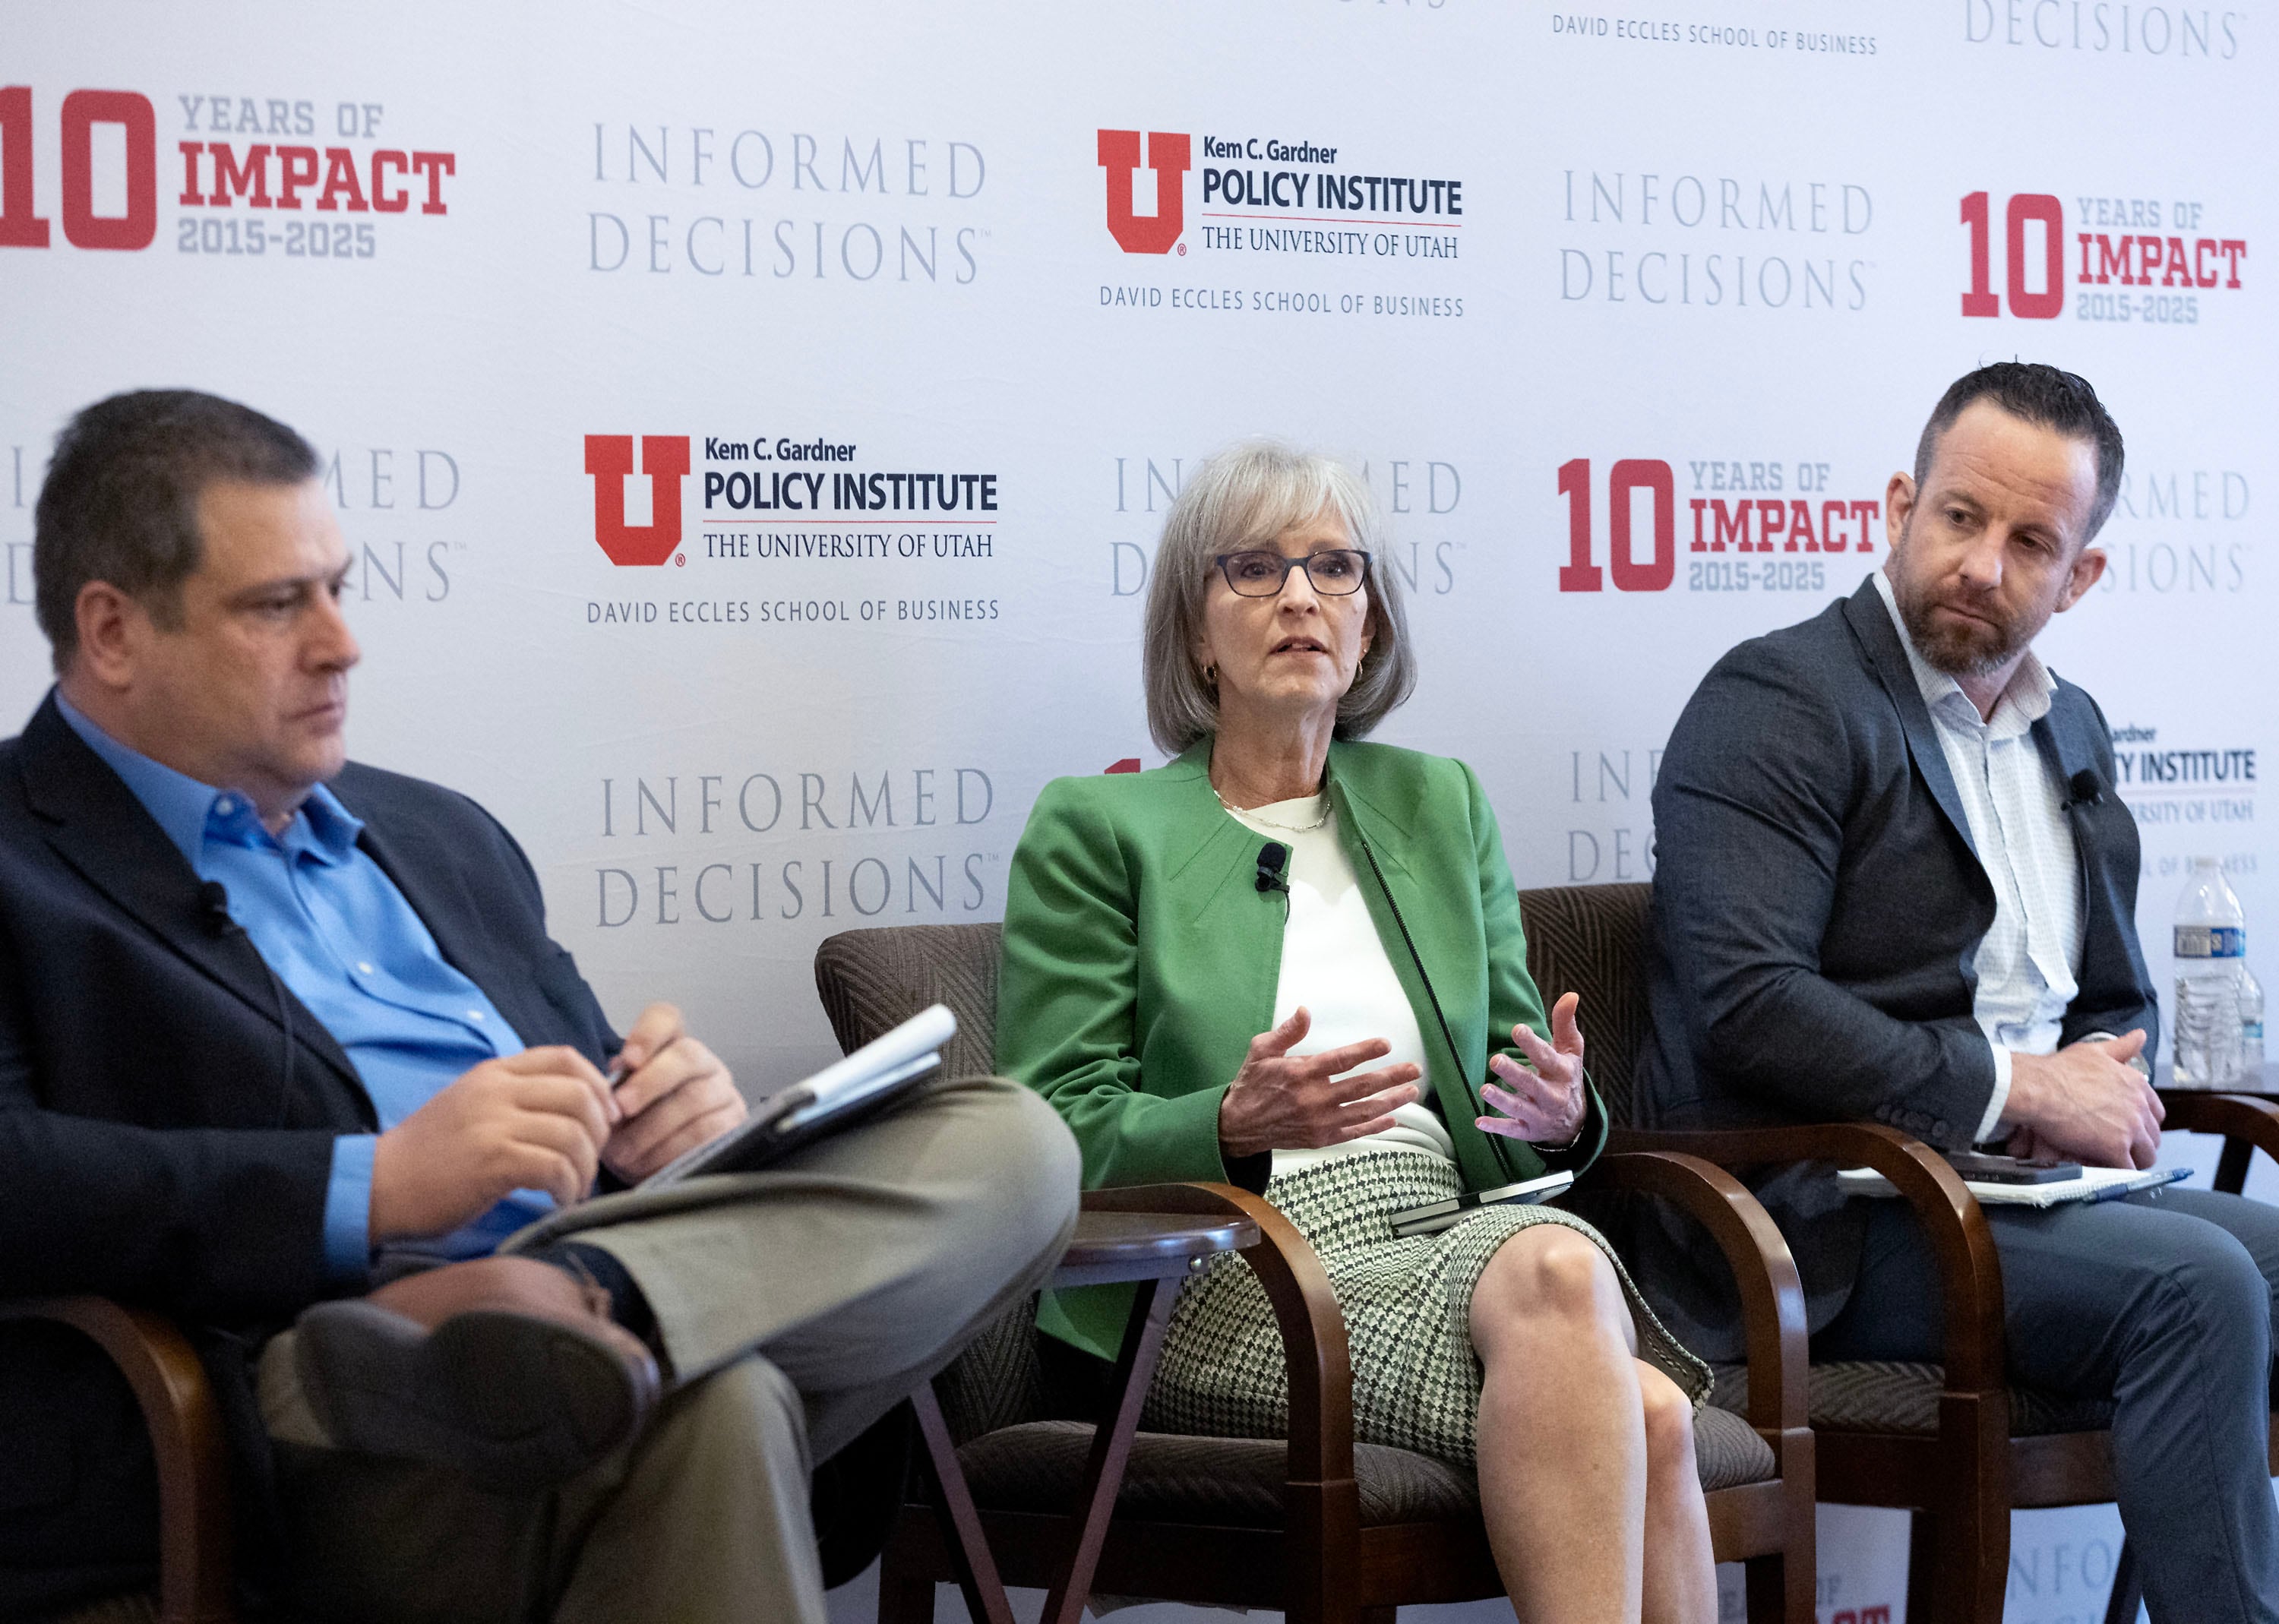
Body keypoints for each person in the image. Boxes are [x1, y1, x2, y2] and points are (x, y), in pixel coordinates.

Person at [0, 389, 1080, 1624]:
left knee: (1015, 1142)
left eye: (341, 588)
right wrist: (374, 1186)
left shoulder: (439, 832)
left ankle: (588, 1304)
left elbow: (593, 1090)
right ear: (113, 630)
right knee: (709, 1402)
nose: (342, 641)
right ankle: (559, 1328)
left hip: (574, 1337)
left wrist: (664, 1123)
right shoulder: (21, 859)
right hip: (302, 1397)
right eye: (276, 604)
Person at [997, 442, 1717, 1624]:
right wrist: (1227, 1121)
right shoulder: (1098, 827)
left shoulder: (1441, 806)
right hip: (1231, 1270)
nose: (1299, 597)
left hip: (1452, 1232)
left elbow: (1524, 1102)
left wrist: (1557, 1114)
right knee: (1584, 1312)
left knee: (1634, 1384)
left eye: (1334, 568)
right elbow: (1045, 1134)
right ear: (1193, 631)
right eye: (1255, 570)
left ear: (1370, 627)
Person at [1639, 362, 2279, 1622]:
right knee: (2196, 1285)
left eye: (2031, 539)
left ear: (2079, 574)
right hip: (1821, 1219)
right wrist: (2007, 1088)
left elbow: (2113, 999)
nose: (1984, 563)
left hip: (2022, 1193)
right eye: (1959, 517)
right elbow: (1748, 1000)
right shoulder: (1780, 701)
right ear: (1900, 503)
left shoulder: (2073, 728)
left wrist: (2087, 1085)